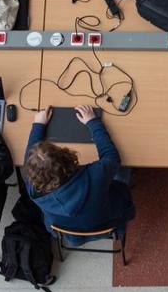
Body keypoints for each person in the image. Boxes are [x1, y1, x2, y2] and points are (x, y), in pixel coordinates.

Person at [24, 105, 135, 245]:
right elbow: (111, 156)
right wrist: (93, 122)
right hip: (109, 222)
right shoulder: (94, 176)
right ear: (66, 157)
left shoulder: (33, 188)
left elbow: (29, 160)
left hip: (68, 232)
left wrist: (38, 126)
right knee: (123, 166)